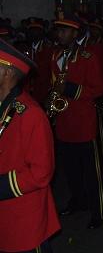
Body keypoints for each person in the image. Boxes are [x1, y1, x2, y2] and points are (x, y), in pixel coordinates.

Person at [0, 39, 60, 252]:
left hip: (24, 223)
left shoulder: (31, 113)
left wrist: (2, 185)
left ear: (7, 72)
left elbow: (41, 172)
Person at [51, 12, 103, 229]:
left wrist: (72, 89)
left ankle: (98, 211)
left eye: (64, 30)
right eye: (58, 29)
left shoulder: (88, 57)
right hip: (64, 125)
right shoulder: (54, 56)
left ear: (75, 33)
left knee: (92, 174)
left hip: (84, 125)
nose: (60, 34)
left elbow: (100, 89)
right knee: (71, 170)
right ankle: (78, 201)